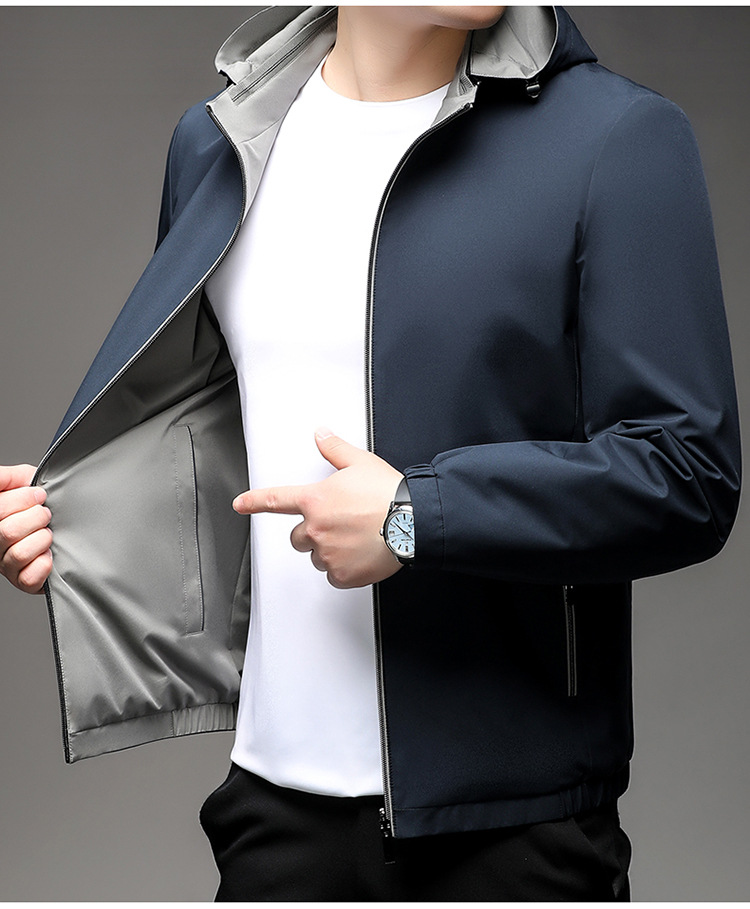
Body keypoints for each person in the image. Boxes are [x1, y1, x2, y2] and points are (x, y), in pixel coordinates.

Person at [0, 5, 741, 902]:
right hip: (271, 817)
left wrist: (416, 515)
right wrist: (88, 526)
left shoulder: (615, 139)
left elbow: (688, 473)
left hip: (513, 833)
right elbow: (225, 437)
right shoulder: (219, 141)